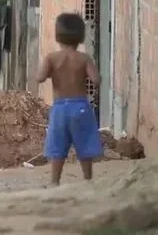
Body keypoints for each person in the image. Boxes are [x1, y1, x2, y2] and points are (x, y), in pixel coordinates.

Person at [37, 12, 103, 186]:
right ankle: (88, 179)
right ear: (81, 36)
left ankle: (54, 180)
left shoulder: (52, 58)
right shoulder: (84, 58)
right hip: (80, 106)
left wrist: (51, 72)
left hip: (60, 108)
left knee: (57, 146)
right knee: (84, 143)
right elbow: (96, 80)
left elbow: (40, 78)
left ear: (57, 35)